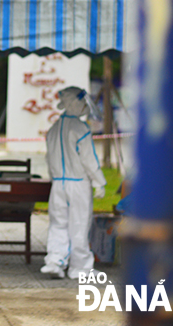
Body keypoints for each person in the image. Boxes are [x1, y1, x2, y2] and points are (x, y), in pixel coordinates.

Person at [41, 86, 107, 279]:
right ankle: (80, 267)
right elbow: (89, 159)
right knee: (79, 224)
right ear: (74, 103)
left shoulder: (53, 129)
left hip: (58, 184)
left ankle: (55, 261)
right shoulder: (81, 129)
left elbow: (49, 158)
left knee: (58, 223)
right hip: (78, 183)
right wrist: (99, 182)